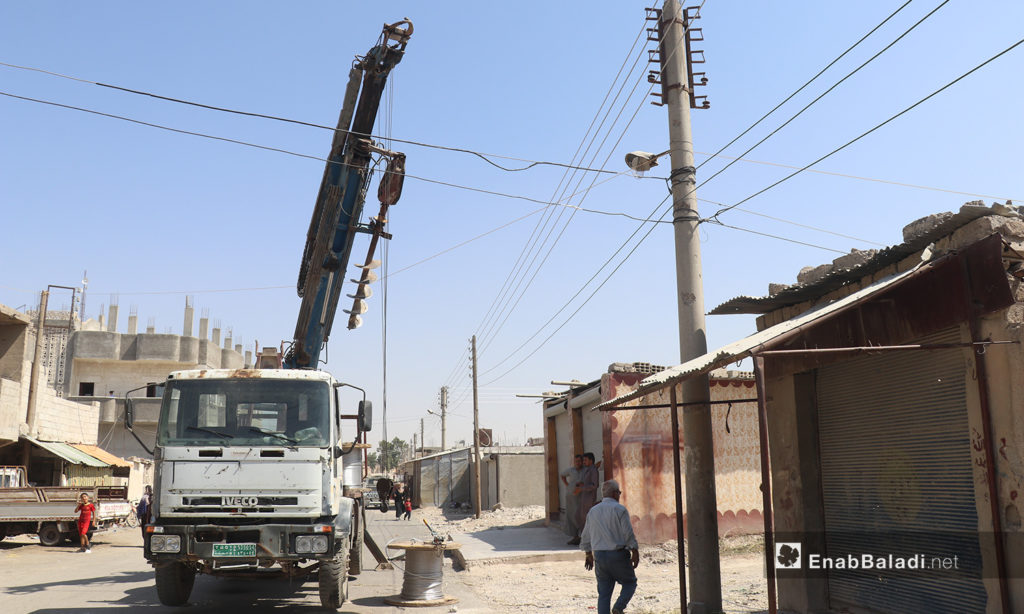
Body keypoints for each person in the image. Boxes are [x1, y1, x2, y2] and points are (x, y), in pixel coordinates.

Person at [580, 480, 639, 614]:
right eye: (619, 492)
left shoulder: (593, 511)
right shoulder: (620, 509)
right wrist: (634, 551)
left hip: (599, 556)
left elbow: (585, 536)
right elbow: (628, 533)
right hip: (617, 554)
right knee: (630, 583)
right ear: (614, 494)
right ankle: (618, 607)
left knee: (604, 593)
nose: (619, 495)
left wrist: (588, 554)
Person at [560, 454, 585, 545]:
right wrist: (567, 485)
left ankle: (582, 536)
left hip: (581, 497)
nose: (578, 463)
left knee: (581, 516)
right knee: (572, 515)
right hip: (571, 497)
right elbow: (562, 475)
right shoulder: (571, 470)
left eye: (579, 461)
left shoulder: (585, 470)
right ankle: (575, 536)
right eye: (576, 461)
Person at [577, 452, 599, 534]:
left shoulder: (593, 470)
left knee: (586, 518)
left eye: (585, 460)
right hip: (584, 497)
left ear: (591, 460)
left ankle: (588, 537)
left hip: (589, 499)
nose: (584, 462)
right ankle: (583, 536)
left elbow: (594, 485)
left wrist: (582, 488)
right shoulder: (588, 470)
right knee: (579, 517)